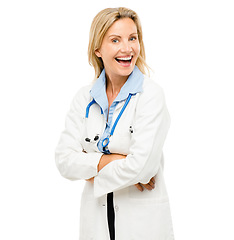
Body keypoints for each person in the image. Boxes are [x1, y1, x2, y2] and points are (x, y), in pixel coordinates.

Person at [55, 7, 174, 240]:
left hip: (142, 225)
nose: (127, 48)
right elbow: (64, 160)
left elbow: (143, 168)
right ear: (97, 49)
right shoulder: (85, 98)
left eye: (132, 38)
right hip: (96, 222)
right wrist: (113, 160)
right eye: (115, 40)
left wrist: (90, 167)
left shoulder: (150, 95)